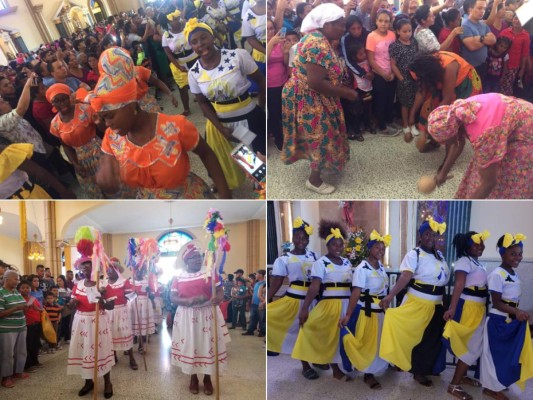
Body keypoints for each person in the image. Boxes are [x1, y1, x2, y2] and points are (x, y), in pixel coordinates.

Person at [90, 47, 230, 199]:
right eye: (103, 118)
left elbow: (207, 154)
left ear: (131, 106)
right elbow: (109, 170)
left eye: (109, 116)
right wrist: (107, 174)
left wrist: (225, 196)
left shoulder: (174, 126)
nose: (107, 124)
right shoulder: (112, 138)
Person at [281, 4, 356, 195]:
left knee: (319, 134)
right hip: (309, 97)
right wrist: (345, 93)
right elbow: (316, 82)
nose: (343, 29)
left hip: (313, 95)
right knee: (320, 136)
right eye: (340, 25)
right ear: (327, 24)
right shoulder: (317, 44)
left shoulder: (319, 37)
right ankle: (314, 181)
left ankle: (318, 168)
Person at [185, 18, 266, 191]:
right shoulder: (194, 73)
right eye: (194, 42)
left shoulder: (237, 56)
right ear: (191, 46)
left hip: (248, 116)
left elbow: (261, 80)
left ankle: (259, 183)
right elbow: (203, 103)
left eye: (203, 38)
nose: (200, 44)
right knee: (232, 154)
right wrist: (220, 127)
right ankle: (228, 182)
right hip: (220, 122)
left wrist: (262, 107)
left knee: (254, 154)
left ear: (212, 37)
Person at [379, 217, 450, 387]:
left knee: (432, 338)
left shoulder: (439, 255)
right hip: (418, 302)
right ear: (420, 235)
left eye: (434, 235)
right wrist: (389, 296)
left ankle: (427, 368)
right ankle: (416, 371)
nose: (431, 238)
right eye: (427, 234)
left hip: (437, 304)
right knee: (418, 338)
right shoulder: (414, 254)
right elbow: (405, 277)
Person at [427, 93, 533, 199]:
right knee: (482, 170)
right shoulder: (459, 112)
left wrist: (467, 206)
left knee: (507, 179)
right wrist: (443, 172)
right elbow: (457, 144)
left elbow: (489, 183)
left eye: (445, 141)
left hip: (526, 134)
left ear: (452, 133)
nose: (445, 144)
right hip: (516, 118)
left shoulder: (483, 136)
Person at [291, 220, 353, 380]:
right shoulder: (321, 263)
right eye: (334, 245)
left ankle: (344, 363)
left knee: (343, 337)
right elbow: (314, 287)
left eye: (341, 245)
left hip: (347, 304)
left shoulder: (347, 262)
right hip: (329, 304)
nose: (338, 248)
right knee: (325, 335)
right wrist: (304, 309)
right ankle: (333, 369)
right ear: (328, 246)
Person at [170, 241, 229, 395]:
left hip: (206, 314)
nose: (198, 259)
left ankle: (208, 378)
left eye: (199, 256)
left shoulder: (209, 272)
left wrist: (219, 298)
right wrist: (187, 301)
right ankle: (193, 378)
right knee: (191, 346)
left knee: (207, 346)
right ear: (186, 261)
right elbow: (173, 297)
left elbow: (220, 291)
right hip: (186, 316)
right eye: (193, 257)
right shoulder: (179, 276)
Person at [480, 233, 533, 400]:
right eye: (513, 254)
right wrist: (516, 312)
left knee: (505, 355)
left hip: (510, 318)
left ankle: (500, 384)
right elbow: (496, 303)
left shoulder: (513, 273)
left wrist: (518, 312)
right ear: (502, 254)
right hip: (498, 319)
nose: (518, 257)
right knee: (493, 356)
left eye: (519, 253)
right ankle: (490, 388)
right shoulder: (497, 274)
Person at [267, 217, 319, 379]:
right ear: (293, 238)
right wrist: (267, 299)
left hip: (314, 298)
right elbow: (277, 282)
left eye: (304, 238)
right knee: (299, 331)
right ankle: (305, 365)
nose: (301, 241)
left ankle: (316, 357)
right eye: (298, 237)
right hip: (295, 299)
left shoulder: (314, 256)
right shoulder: (284, 259)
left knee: (314, 330)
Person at [339, 230, 390, 390]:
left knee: (378, 342)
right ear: (369, 248)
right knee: (368, 343)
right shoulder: (362, 268)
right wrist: (348, 314)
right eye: (377, 248)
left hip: (379, 311)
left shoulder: (381, 267)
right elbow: (356, 292)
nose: (380, 251)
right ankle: (368, 373)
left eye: (383, 249)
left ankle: (379, 367)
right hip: (367, 311)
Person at [442, 230, 490, 400]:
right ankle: (454, 385)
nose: (480, 247)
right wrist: (452, 308)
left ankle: (461, 376)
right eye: (476, 244)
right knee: (470, 346)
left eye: (482, 244)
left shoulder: (477, 262)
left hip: (479, 308)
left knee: (474, 345)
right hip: (468, 308)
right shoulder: (464, 261)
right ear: (467, 246)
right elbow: (459, 285)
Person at [409, 51, 482, 153]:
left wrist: (431, 122)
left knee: (453, 116)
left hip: (464, 85)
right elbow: (421, 92)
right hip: (444, 82)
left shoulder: (449, 67)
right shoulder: (420, 69)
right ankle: (435, 141)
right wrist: (411, 116)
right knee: (430, 107)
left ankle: (453, 146)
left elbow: (447, 98)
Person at [67, 258, 115, 398]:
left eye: (88, 266)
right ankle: (88, 382)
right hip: (81, 321)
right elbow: (74, 300)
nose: (85, 268)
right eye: (83, 266)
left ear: (96, 268)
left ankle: (107, 382)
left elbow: (110, 306)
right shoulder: (79, 284)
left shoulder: (104, 284)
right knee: (84, 351)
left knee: (101, 350)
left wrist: (101, 298)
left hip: (97, 321)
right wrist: (72, 303)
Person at [47, 83, 104, 199]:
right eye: (57, 101)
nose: (62, 103)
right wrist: (75, 164)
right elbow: (66, 146)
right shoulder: (55, 124)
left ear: (69, 97)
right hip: (80, 160)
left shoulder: (85, 109)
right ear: (52, 104)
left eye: (64, 98)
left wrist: (99, 123)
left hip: (98, 150)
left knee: (111, 183)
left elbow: (104, 130)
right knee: (94, 191)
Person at [367, 9, 399, 137]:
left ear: (390, 22)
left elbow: (394, 55)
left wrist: (392, 72)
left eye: (386, 21)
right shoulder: (371, 36)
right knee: (380, 100)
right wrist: (382, 73)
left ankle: (389, 121)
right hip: (379, 74)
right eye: (380, 21)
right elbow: (371, 59)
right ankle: (382, 126)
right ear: (376, 21)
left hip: (392, 73)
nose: (383, 24)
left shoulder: (392, 35)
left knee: (390, 99)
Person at [103, 258, 138, 370]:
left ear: (117, 270)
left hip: (121, 311)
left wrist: (132, 293)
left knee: (125, 333)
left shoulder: (124, 282)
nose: (108, 271)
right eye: (107, 270)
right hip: (108, 312)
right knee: (110, 334)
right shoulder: (104, 283)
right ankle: (113, 356)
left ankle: (132, 358)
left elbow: (131, 297)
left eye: (111, 269)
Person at [162, 9, 198, 116]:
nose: (176, 22)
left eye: (177, 19)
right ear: (169, 22)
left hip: (194, 60)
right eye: (173, 20)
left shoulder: (187, 29)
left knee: (200, 82)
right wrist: (179, 66)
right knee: (182, 88)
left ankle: (206, 104)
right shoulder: (166, 35)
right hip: (180, 64)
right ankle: (186, 109)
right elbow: (168, 53)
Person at [389, 17, 419, 142]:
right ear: (398, 31)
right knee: (405, 103)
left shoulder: (414, 42)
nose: (408, 34)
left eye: (410, 31)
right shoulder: (395, 46)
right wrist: (401, 79)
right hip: (404, 78)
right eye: (405, 31)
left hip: (415, 77)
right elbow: (393, 65)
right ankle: (405, 125)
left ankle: (412, 123)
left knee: (414, 100)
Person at [0, 270, 28, 389]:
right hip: (7, 328)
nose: (18, 281)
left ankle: (18, 372)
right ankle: (6, 377)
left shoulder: (16, 291)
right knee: (7, 354)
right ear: (6, 279)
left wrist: (26, 307)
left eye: (18, 279)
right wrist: (16, 308)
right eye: (15, 279)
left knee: (21, 351)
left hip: (21, 326)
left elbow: (22, 306)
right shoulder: (1, 293)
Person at [267, 19, 291, 151]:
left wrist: (286, 52)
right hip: (270, 85)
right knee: (275, 113)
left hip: (283, 81)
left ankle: (289, 136)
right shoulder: (261, 44)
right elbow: (265, 61)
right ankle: (279, 139)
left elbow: (285, 62)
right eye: (267, 29)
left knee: (285, 111)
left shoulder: (279, 42)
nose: (270, 31)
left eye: (271, 28)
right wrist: (271, 43)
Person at [458, 0, 496, 80]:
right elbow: (472, 46)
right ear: (470, 9)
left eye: (484, 8)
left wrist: (479, 39)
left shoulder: (482, 23)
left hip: (483, 64)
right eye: (479, 8)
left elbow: (493, 39)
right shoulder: (464, 25)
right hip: (471, 68)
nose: (482, 11)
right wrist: (486, 40)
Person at [499, 12, 530, 96]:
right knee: (498, 84)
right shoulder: (505, 32)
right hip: (500, 65)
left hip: (513, 66)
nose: (517, 21)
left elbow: (524, 54)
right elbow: (498, 48)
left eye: (520, 19)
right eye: (516, 18)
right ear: (512, 20)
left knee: (508, 87)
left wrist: (522, 70)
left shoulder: (526, 36)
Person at [17, 279, 42, 372]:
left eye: (27, 287)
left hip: (36, 323)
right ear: (18, 289)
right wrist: (28, 306)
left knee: (35, 344)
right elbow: (22, 312)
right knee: (28, 345)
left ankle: (35, 361)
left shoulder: (33, 298)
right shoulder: (19, 299)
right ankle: (28, 365)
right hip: (27, 325)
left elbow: (39, 309)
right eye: (23, 288)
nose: (26, 289)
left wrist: (39, 309)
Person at [243, 269, 266, 337]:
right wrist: (252, 300)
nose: (255, 275)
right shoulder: (256, 283)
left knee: (262, 318)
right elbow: (255, 293)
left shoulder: (264, 284)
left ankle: (262, 331)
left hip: (260, 304)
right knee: (252, 317)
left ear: (261, 275)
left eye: (257, 274)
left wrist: (263, 303)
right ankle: (250, 330)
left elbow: (263, 295)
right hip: (254, 304)